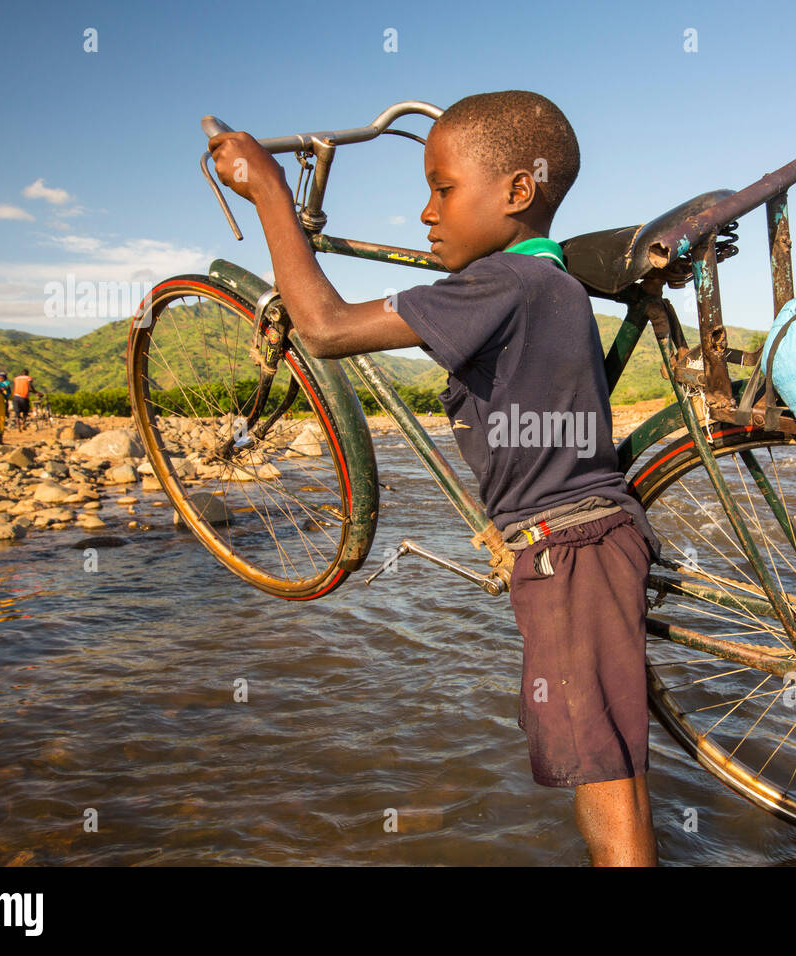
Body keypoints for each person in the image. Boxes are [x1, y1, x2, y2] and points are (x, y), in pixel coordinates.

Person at [210, 90, 662, 866]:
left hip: (570, 548)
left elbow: (323, 326)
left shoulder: (501, 285)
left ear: (519, 193)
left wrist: (273, 197)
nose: (426, 213)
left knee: (602, 764)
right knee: (602, 749)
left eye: (443, 189)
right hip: (578, 537)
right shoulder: (549, 285)